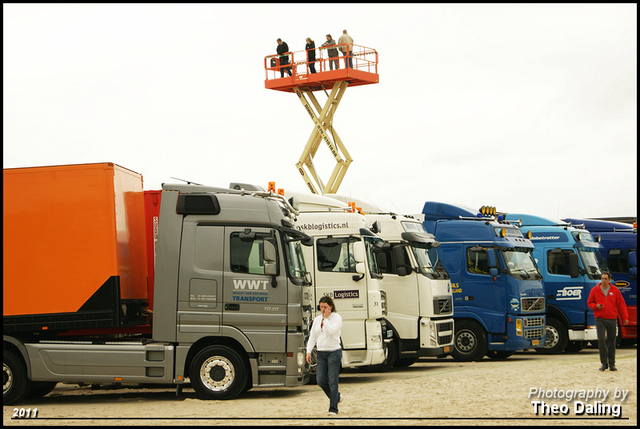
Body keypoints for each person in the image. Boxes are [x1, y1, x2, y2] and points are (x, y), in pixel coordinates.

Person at [306, 295, 343, 415]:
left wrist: (326, 320)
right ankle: (336, 397)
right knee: (320, 379)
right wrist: (308, 351)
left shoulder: (337, 318)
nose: (323, 309)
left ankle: (333, 408)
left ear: (330, 307)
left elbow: (332, 331)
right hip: (321, 352)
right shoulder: (317, 319)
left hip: (334, 351)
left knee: (333, 380)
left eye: (325, 307)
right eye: (321, 307)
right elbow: (313, 337)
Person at [587, 272, 629, 371]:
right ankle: (604, 363)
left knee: (612, 341)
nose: (604, 280)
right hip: (599, 318)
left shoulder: (615, 290)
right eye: (602, 278)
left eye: (606, 278)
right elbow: (589, 303)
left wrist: (625, 317)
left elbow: (621, 305)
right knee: (601, 340)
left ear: (609, 280)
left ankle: (612, 363)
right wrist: (596, 306)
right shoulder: (595, 290)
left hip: (612, 318)